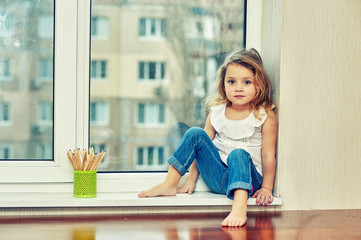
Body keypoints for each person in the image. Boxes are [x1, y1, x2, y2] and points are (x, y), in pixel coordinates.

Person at [138, 48, 278, 227]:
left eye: (247, 82)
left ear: (259, 85)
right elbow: (201, 147)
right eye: (232, 82)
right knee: (195, 133)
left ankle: (239, 207)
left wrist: (266, 187)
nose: (238, 88)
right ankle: (170, 183)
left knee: (238, 154)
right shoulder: (217, 112)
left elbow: (268, 156)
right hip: (217, 176)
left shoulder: (264, 115)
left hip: (249, 180)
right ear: (223, 85)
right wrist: (191, 179)